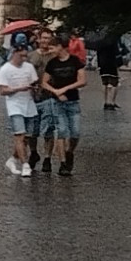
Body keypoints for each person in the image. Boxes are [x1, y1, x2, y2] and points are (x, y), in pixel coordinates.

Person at [35, 29, 85, 175]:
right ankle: (63, 163)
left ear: (60, 47)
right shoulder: (52, 64)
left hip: (73, 101)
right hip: (58, 102)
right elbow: (44, 82)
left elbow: (82, 80)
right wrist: (56, 91)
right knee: (61, 131)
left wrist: (65, 88)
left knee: (75, 133)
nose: (50, 51)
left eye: (52, 48)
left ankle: (70, 152)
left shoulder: (75, 61)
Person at [0, 37, 40, 177]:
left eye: (25, 56)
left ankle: (13, 159)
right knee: (19, 136)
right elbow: (3, 91)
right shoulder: (5, 69)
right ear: (14, 53)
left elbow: (34, 83)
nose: (24, 58)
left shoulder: (29, 67)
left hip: (29, 105)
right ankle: (25, 164)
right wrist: (20, 88)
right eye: (21, 56)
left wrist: (34, 88)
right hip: (15, 106)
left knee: (26, 138)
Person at [92, 28, 123, 111]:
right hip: (112, 62)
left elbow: (97, 50)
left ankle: (106, 102)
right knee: (114, 82)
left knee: (104, 82)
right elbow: (117, 52)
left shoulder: (99, 41)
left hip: (102, 63)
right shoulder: (113, 39)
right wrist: (119, 62)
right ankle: (112, 102)